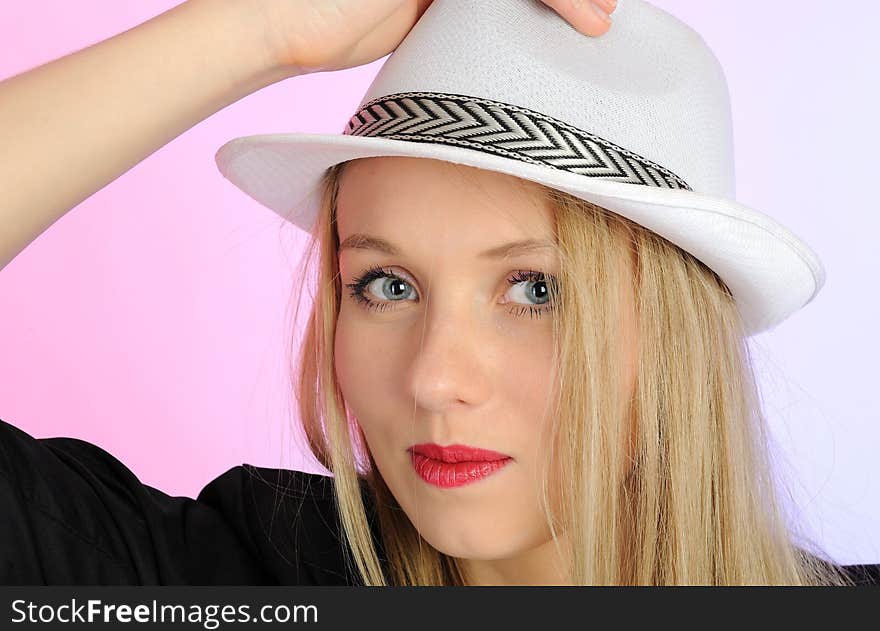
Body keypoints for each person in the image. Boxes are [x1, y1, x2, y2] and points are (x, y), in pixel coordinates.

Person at [0, 0, 875, 586]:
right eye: (386, 284)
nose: (434, 379)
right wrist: (261, 27)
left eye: (534, 287)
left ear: (678, 334)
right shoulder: (238, 581)